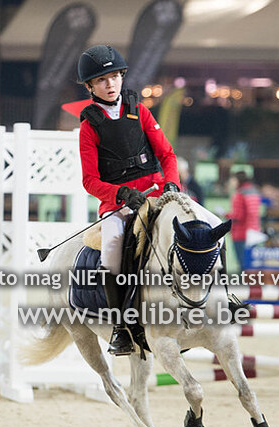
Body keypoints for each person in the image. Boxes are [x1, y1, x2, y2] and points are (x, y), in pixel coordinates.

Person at [77, 44, 180, 355]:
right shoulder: (88, 126)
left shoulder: (141, 111)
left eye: (115, 77)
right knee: (111, 253)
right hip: (119, 206)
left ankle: (221, 297)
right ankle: (121, 327)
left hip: (157, 195)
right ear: (90, 86)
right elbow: (89, 180)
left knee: (197, 228)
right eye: (102, 80)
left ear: (122, 77)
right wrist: (120, 193)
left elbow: (167, 154)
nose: (110, 85)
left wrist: (172, 183)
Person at [226, 170, 261, 272]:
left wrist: (226, 215)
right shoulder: (254, 192)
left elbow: (238, 216)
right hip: (254, 231)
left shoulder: (239, 194)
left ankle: (243, 286)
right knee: (251, 263)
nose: (231, 182)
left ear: (238, 180)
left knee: (242, 264)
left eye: (233, 179)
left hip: (241, 233)